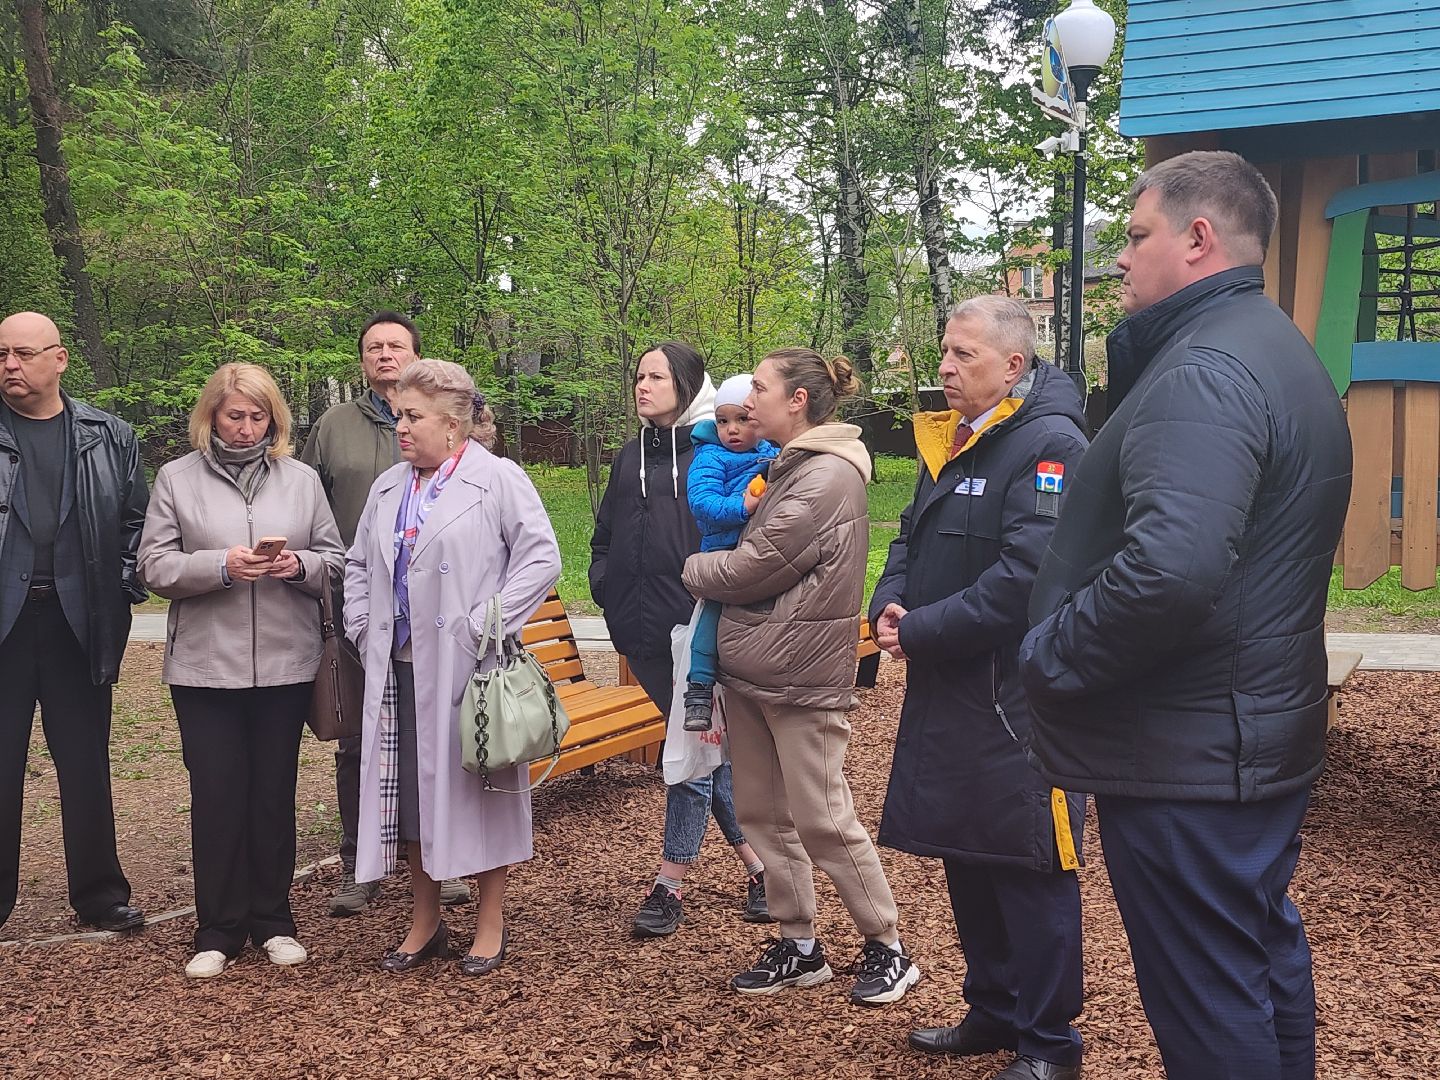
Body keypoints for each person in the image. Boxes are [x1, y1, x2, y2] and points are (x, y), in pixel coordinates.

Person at [1020, 151, 1353, 1080]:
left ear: (1199, 239)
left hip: (1186, 757)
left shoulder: (1203, 370)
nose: (1120, 259)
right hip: (1242, 740)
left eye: (1135, 236)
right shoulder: (1277, 349)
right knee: (1256, 957)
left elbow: (1169, 569)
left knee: (1210, 1002)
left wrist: (1052, 655)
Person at [870, 298, 1087, 1080]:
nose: (946, 367)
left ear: (1014, 366)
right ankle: (994, 1010)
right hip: (954, 692)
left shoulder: (1050, 445)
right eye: (945, 352)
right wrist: (888, 605)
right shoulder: (959, 440)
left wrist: (919, 630)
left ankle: (1051, 1045)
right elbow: (907, 534)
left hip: (1016, 705)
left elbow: (1030, 578)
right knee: (969, 854)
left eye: (964, 355)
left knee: (1029, 867)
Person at [683, 347, 919, 1006]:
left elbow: (753, 565)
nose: (746, 399)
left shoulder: (825, 477)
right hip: (754, 670)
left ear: (798, 401)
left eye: (759, 387)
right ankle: (799, 944)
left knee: (821, 818)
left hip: (801, 675)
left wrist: (694, 570)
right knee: (764, 813)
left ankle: (887, 946)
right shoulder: (784, 468)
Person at [345, 359, 560, 975]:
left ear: (453, 425)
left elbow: (541, 558)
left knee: (481, 788)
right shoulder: (390, 487)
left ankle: (489, 924)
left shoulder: (497, 479)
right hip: (402, 668)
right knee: (412, 795)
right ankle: (425, 921)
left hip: (473, 671)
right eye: (398, 414)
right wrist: (364, 627)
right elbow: (359, 567)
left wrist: (484, 623)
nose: (401, 426)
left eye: (413, 416)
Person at [138, 363, 346, 978]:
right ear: (212, 417)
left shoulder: (301, 480)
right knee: (218, 795)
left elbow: (334, 560)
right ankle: (218, 929)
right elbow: (153, 567)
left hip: (286, 664)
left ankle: (274, 921)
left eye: (259, 417)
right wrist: (220, 565)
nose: (247, 427)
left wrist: (300, 566)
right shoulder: (176, 479)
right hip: (204, 669)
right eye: (235, 415)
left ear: (275, 421)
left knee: (272, 794)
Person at [590, 342, 771, 937]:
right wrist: (605, 587)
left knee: (692, 752)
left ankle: (670, 883)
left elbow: (745, 527)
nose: (642, 386)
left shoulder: (717, 452)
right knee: (704, 752)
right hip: (638, 631)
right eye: (638, 375)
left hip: (698, 627)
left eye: (656, 376)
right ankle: (761, 865)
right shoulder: (627, 457)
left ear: (688, 385)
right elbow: (605, 536)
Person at [302, 310, 470, 915]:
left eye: (395, 345)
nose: (384, 355)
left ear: (416, 356)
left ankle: (439, 862)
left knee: (434, 738)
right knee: (360, 740)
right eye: (373, 347)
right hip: (360, 607)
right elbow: (307, 502)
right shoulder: (334, 426)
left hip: (438, 618)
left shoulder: (448, 421)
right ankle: (361, 863)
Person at [0, 312, 149, 935]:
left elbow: (137, 525)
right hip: (4, 626)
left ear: (59, 359)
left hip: (78, 622)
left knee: (86, 763)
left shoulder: (107, 436)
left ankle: (99, 893)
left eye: (23, 353)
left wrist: (117, 591)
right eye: (2, 354)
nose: (10, 364)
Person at [681, 373, 777, 731]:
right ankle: (699, 687)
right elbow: (703, 503)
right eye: (723, 421)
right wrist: (743, 505)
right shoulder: (710, 458)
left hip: (760, 551)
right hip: (723, 552)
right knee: (711, 615)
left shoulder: (772, 453)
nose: (731, 430)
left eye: (742, 419)